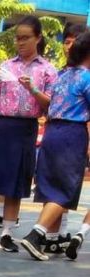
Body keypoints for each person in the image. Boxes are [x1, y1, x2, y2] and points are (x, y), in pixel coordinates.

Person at [0, 15, 57, 252]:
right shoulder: (5, 66)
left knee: (15, 185)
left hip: (26, 128)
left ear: (38, 38)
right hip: (1, 126)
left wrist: (33, 89)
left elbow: (51, 104)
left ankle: (6, 234)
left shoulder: (48, 70)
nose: (20, 43)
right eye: (17, 38)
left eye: (26, 38)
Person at [20, 32, 90, 261]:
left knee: (52, 187)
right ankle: (36, 234)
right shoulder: (87, 78)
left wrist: (33, 90)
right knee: (66, 190)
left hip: (52, 132)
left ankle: (49, 242)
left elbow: (51, 104)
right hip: (72, 134)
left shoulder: (62, 75)